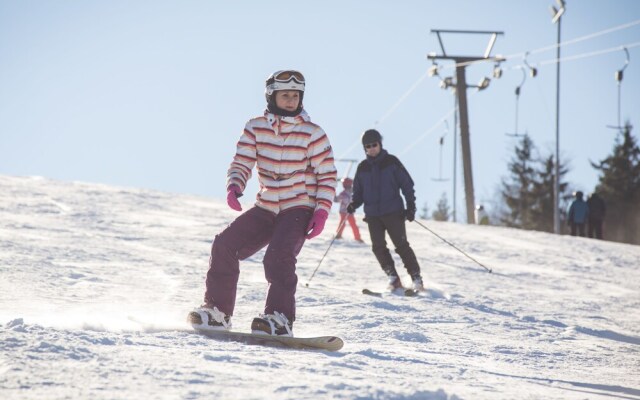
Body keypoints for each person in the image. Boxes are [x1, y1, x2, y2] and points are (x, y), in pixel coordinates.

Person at [188, 70, 337, 337]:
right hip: (266, 206)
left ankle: (278, 318)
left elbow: (327, 174)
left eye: (295, 95)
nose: (291, 101)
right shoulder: (256, 127)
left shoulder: (312, 133)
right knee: (224, 244)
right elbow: (242, 160)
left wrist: (322, 210)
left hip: (298, 206)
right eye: (285, 95)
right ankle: (217, 313)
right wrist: (235, 185)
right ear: (272, 96)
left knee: (278, 256)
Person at [347, 129, 424, 292]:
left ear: (380, 144)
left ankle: (416, 278)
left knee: (401, 245)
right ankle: (393, 278)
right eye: (367, 146)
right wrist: (354, 204)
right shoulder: (363, 168)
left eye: (374, 145)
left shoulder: (391, 162)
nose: (371, 148)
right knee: (378, 247)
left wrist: (411, 206)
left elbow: (407, 184)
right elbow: (358, 193)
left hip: (393, 212)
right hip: (373, 215)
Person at [333, 177, 363, 242]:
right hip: (344, 211)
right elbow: (336, 200)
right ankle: (339, 235)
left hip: (349, 212)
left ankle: (357, 238)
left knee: (353, 224)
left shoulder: (351, 192)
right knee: (343, 223)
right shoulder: (344, 193)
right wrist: (334, 192)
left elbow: (336, 199)